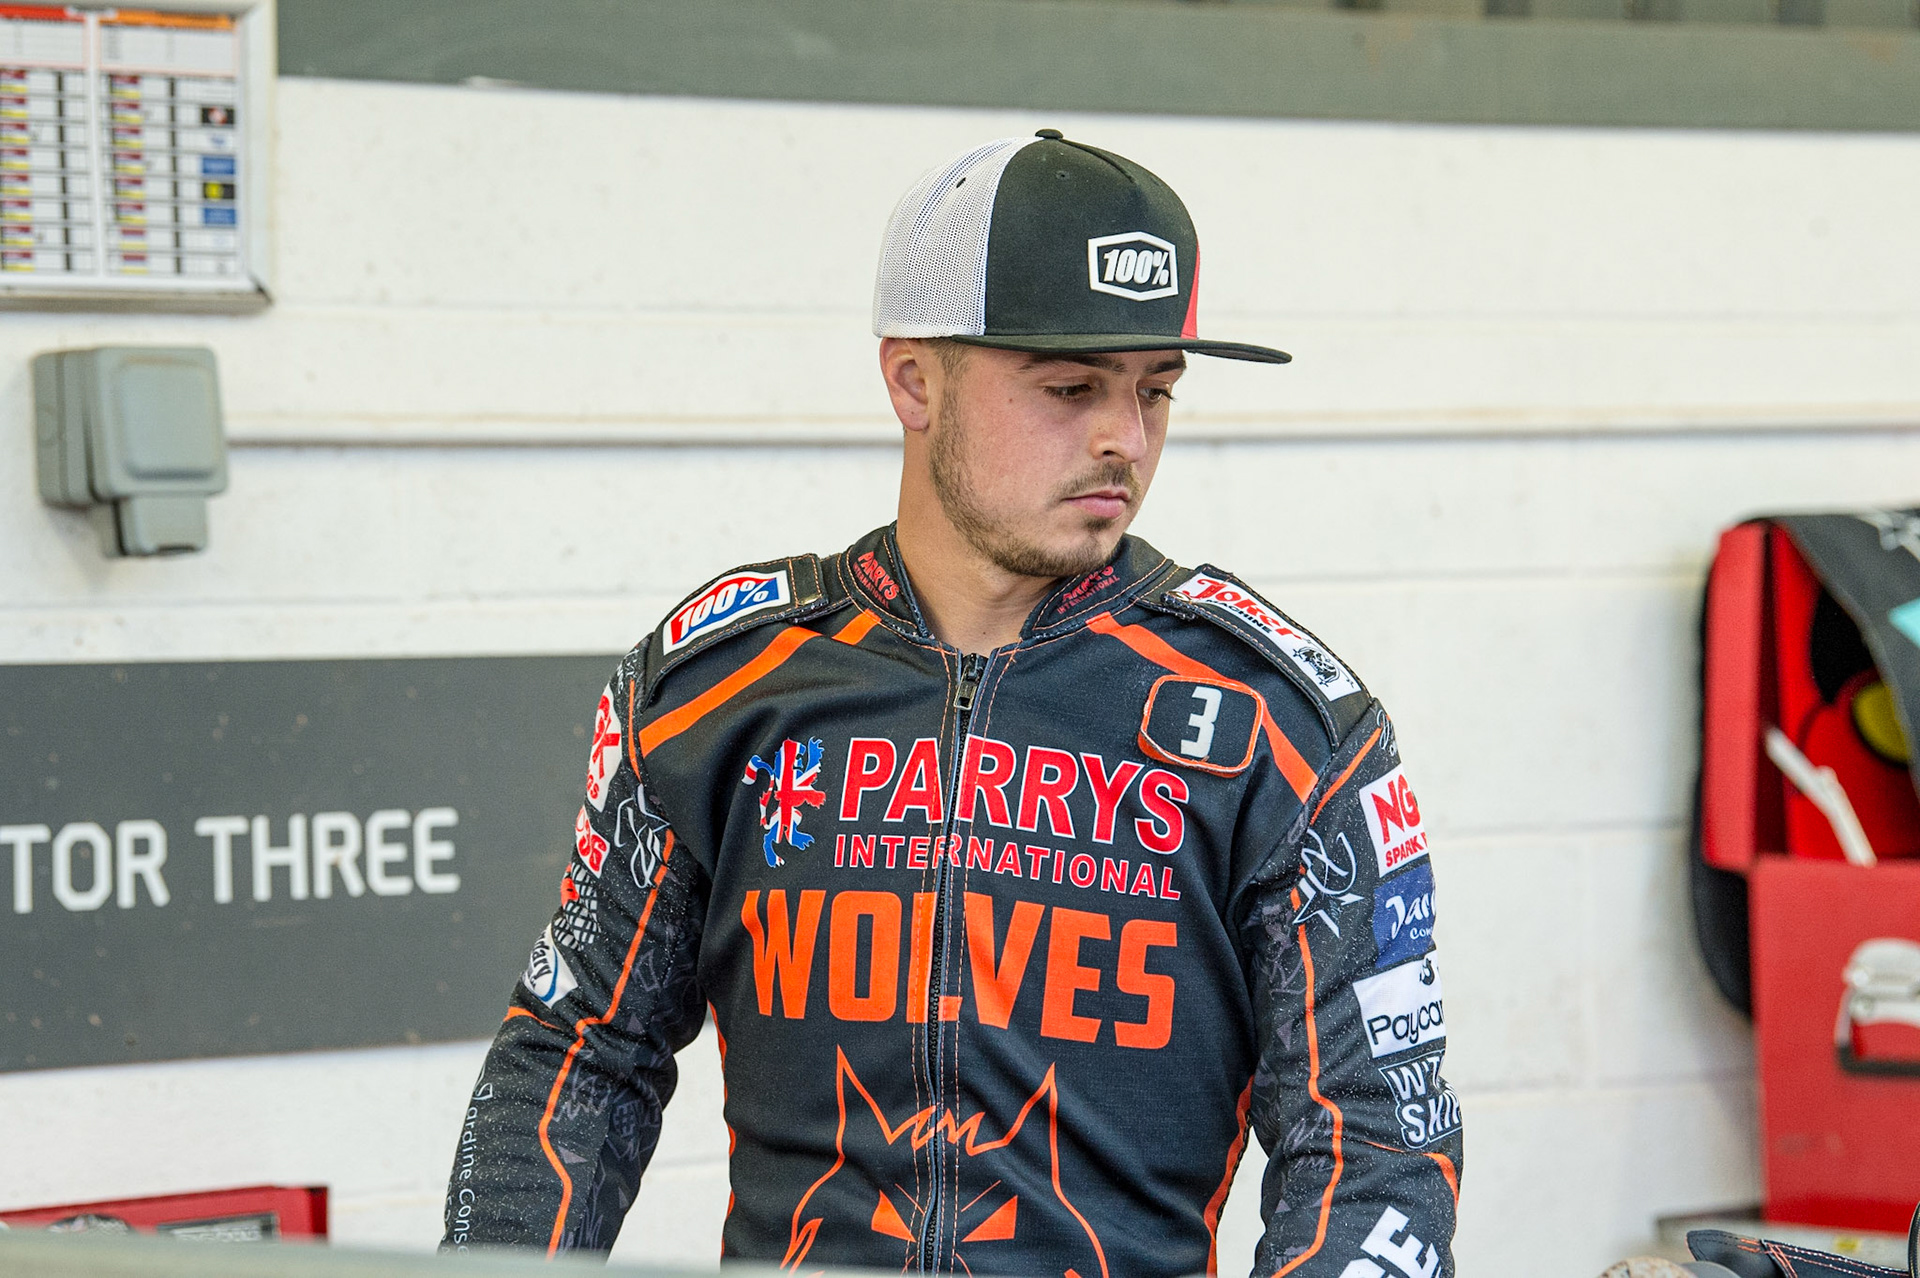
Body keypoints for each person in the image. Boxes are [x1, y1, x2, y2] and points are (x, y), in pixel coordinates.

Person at [442, 130, 1462, 1278]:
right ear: (913, 380)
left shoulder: (1284, 725)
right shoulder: (713, 688)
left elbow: (1376, 1141)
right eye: (1071, 387)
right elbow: (582, 1050)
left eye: (1155, 390)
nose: (1125, 436)